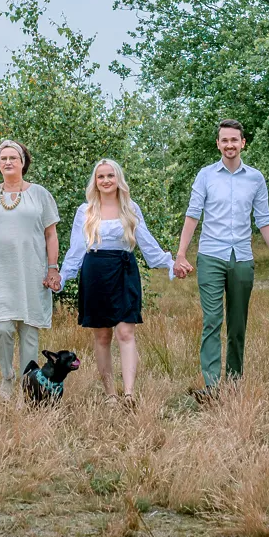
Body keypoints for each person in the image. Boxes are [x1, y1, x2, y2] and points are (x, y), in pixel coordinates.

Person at [173, 119, 269, 402]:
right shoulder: (206, 176)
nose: (230, 145)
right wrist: (181, 254)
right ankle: (210, 386)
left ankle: (233, 383)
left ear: (243, 143)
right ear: (218, 144)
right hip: (211, 256)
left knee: (237, 323)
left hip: (242, 258)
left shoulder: (255, 178)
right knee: (212, 320)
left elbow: (264, 220)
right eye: (225, 140)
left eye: (235, 140)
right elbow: (193, 214)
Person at [59, 159, 175, 407]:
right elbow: (76, 249)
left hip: (123, 270)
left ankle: (129, 393)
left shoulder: (130, 208)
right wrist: (61, 276)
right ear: (95, 182)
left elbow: (147, 243)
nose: (106, 180)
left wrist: (170, 263)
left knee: (125, 331)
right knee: (102, 336)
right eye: (101, 177)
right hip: (95, 272)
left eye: (110, 175)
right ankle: (110, 393)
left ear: (118, 178)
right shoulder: (86, 210)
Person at [0, 141, 61, 401]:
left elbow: (51, 234)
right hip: (0, 273)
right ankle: (7, 376)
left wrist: (52, 268)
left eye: (14, 157)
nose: (8, 162)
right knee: (1, 328)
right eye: (3, 158)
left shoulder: (40, 194)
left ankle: (29, 384)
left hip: (32, 272)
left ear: (24, 161)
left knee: (29, 332)